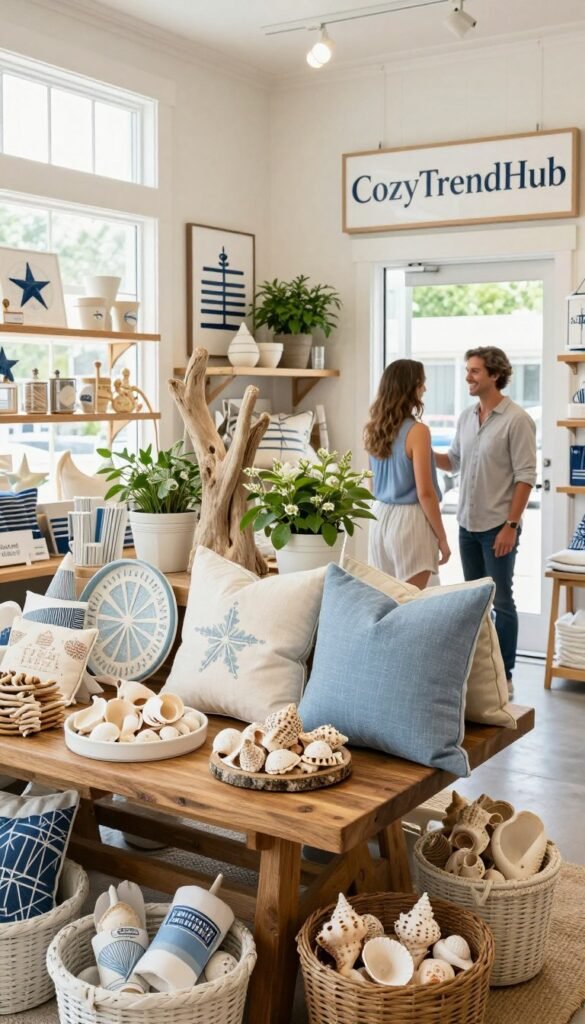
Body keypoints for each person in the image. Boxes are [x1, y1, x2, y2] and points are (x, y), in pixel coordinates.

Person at [434, 346, 537, 691]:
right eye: (468, 370)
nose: (468, 377)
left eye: (475, 371)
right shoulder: (466, 417)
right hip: (467, 524)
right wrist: (415, 447)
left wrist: (511, 525)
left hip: (498, 526)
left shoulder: (517, 420)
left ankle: (504, 676)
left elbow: (525, 477)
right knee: (476, 600)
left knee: (502, 600)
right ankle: (480, 671)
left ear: (495, 375)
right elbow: (453, 461)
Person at [364, 358, 450, 589]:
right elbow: (426, 493)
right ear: (410, 387)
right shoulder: (418, 431)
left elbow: (371, 487)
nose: (425, 388)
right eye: (422, 383)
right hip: (410, 521)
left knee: (387, 599)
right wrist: (442, 537)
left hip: (380, 517)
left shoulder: (373, 429)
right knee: (410, 602)